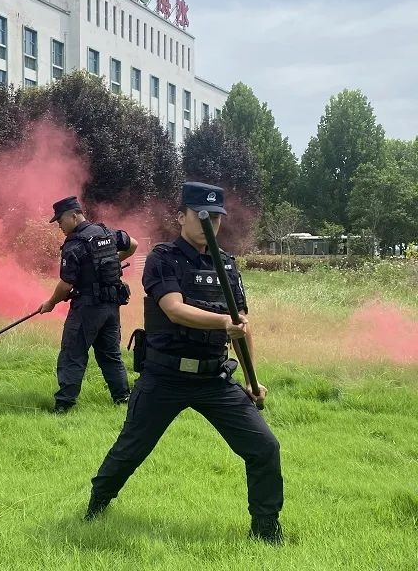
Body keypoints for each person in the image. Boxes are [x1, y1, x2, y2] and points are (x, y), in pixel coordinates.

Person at [85, 182, 284, 544]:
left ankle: (266, 530)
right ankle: (97, 504)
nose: (212, 223)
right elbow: (174, 309)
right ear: (181, 217)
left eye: (217, 217)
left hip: (213, 378)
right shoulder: (164, 259)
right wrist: (224, 322)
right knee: (131, 449)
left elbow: (242, 326)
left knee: (264, 447)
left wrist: (252, 380)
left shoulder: (226, 265)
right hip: (164, 377)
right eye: (203, 216)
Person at [38, 196, 138, 413]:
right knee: (110, 355)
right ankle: (123, 398)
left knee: (73, 353)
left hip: (87, 309)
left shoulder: (74, 244)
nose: (59, 226)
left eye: (60, 221)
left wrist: (50, 303)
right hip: (111, 308)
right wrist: (112, 260)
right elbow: (133, 244)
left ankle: (64, 405)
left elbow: (66, 284)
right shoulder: (106, 232)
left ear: (74, 216)